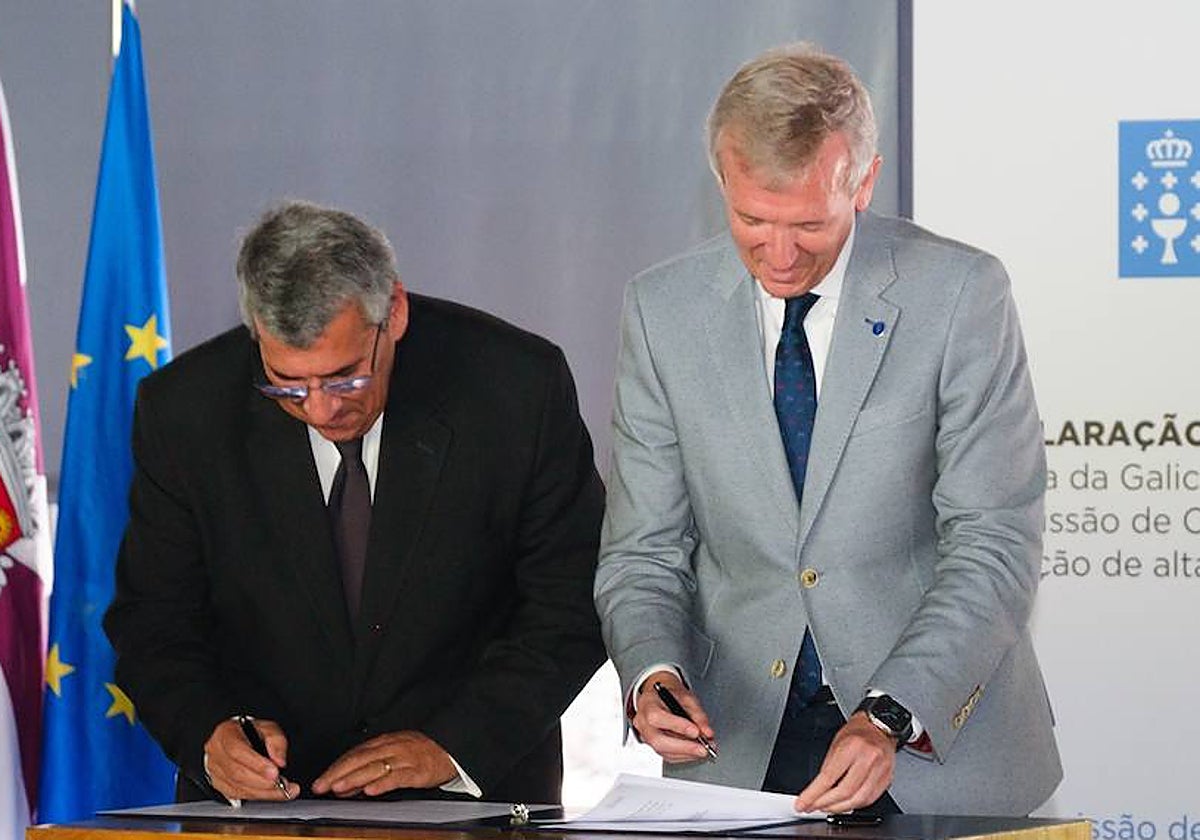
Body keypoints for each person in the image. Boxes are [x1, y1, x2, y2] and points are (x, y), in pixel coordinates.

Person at [594, 43, 1061, 816]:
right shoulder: (661, 310)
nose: (779, 255)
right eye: (751, 220)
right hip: (736, 752)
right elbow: (643, 548)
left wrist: (891, 713)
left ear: (865, 182)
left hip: (932, 750)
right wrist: (652, 672)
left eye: (809, 223)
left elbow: (996, 541)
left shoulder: (961, 296)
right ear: (721, 180)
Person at [104, 200, 606, 805]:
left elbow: (569, 603)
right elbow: (153, 620)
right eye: (287, 385)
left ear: (392, 313)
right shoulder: (184, 412)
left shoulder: (517, 388)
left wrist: (452, 746)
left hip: (472, 796)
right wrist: (209, 738)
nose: (320, 410)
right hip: (265, 810)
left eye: (345, 378)